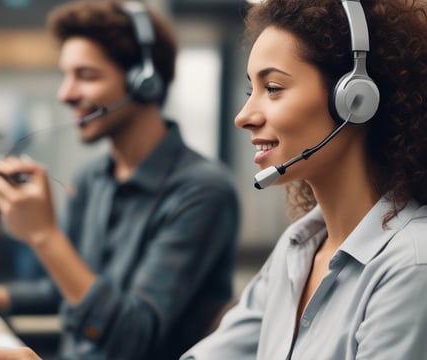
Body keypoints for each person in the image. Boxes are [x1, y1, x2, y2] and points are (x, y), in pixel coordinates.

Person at [0, 1, 240, 359]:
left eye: (86, 75)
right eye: (66, 75)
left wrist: (44, 236)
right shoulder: (93, 180)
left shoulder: (202, 191)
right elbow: (69, 290)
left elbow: (131, 336)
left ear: (144, 81)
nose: (65, 93)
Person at [180, 0, 427, 359]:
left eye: (274, 88)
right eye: (252, 91)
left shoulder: (411, 266)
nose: (244, 116)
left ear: (355, 100)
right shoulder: (298, 248)